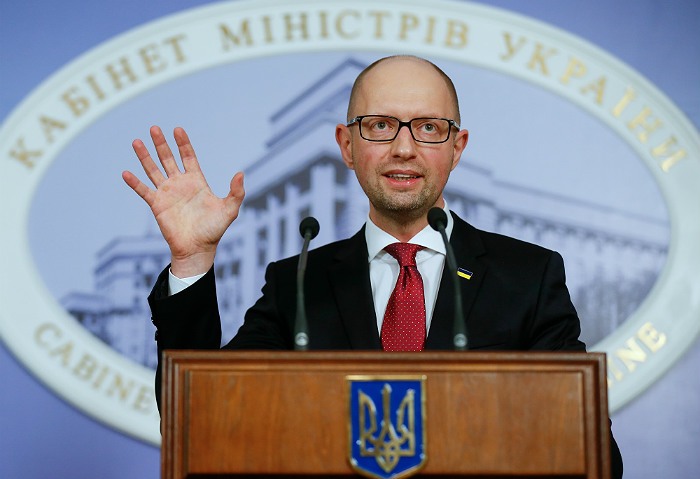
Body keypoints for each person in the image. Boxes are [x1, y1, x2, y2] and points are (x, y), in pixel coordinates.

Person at [123, 55, 622, 477]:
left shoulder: (528, 276)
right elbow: (202, 421)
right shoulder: (298, 284)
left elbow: (593, 456)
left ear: (457, 148)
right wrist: (192, 260)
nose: (404, 148)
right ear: (347, 145)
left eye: (429, 128)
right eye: (380, 126)